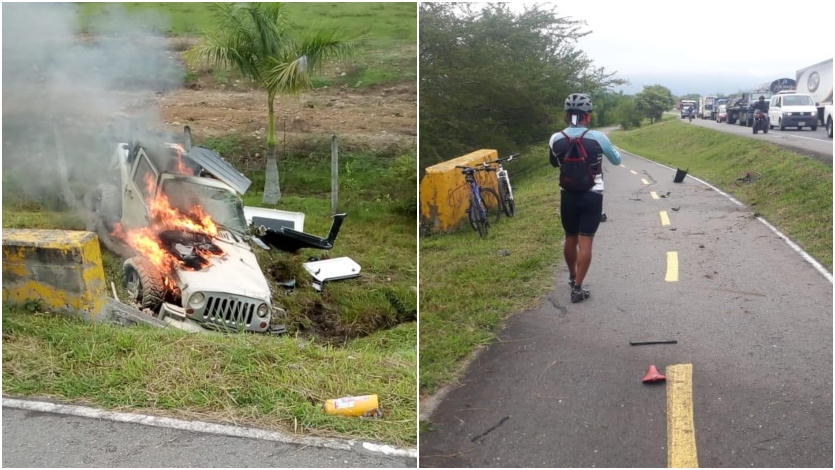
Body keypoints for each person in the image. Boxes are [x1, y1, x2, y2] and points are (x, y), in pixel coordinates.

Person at [549, 93, 621, 303]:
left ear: (566, 115)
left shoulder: (555, 138)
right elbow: (617, 161)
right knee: (586, 241)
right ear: (587, 116)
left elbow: (554, 163)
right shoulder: (598, 137)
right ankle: (578, 288)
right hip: (592, 194)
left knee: (570, 237)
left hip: (567, 194)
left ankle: (571, 278)